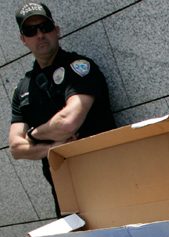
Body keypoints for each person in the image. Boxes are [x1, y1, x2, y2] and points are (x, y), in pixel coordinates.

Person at [8, 2, 116, 219]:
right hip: (64, 196)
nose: (39, 35)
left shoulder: (79, 68)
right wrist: (54, 148)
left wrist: (33, 135)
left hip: (104, 183)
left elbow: (68, 122)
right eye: (31, 31)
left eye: (45, 27)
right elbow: (16, 148)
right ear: (23, 40)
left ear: (56, 30)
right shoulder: (23, 88)